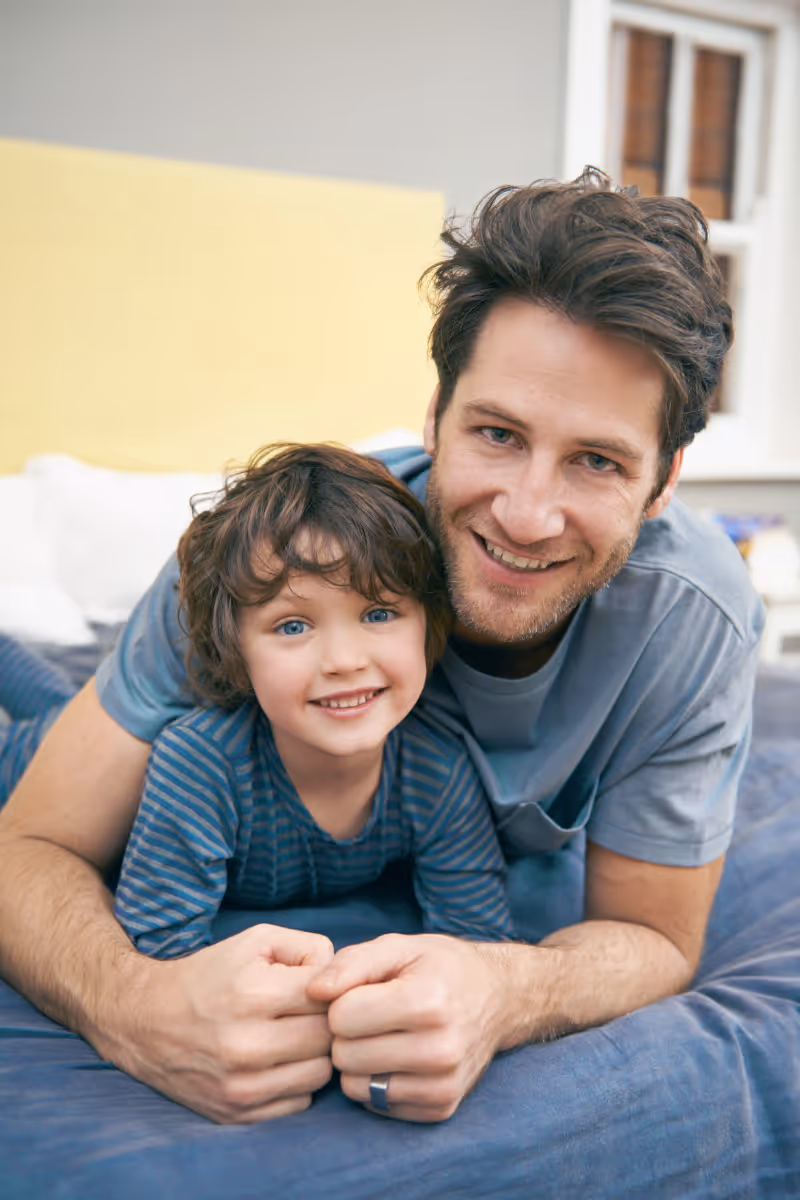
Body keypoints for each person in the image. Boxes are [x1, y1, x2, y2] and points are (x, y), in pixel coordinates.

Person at [0, 169, 764, 1126]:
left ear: (663, 483)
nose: (527, 515)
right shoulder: (283, 556)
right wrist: (131, 1004)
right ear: (436, 413)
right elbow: (27, 845)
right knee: (34, 723)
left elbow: (654, 934)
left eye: (598, 461)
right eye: (496, 433)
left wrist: (505, 989)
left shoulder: (695, 619)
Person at [0, 446, 513, 960]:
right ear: (236, 653)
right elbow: (161, 950)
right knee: (44, 725)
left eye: (378, 614)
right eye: (293, 625)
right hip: (27, 759)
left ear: (428, 623)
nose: (344, 660)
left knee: (57, 696)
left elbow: (476, 947)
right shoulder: (202, 764)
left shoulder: (438, 770)